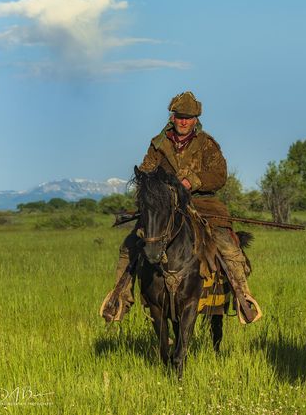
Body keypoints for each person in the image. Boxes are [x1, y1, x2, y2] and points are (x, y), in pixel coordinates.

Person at [100, 91, 261, 324]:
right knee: (130, 245)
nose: (183, 121)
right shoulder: (158, 145)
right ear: (172, 117)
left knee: (227, 245)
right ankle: (119, 299)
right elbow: (145, 174)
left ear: (196, 119)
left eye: (189, 117)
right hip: (165, 206)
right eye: (179, 116)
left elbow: (219, 175)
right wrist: (158, 192)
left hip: (202, 202)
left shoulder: (207, 144)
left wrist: (191, 181)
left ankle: (243, 297)